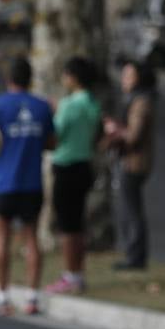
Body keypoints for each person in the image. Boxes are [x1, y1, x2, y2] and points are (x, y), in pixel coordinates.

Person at [0, 57, 56, 316]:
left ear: (9, 78)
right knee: (31, 238)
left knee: (2, 238)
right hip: (32, 184)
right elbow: (51, 142)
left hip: (4, 182)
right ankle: (32, 297)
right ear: (30, 78)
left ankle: (2, 296)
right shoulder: (42, 107)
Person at [45, 56, 102, 295]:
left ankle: (70, 275)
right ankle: (78, 273)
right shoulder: (92, 103)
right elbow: (98, 134)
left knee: (67, 224)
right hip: (85, 164)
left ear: (74, 77)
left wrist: (52, 112)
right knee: (78, 222)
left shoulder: (69, 105)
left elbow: (55, 135)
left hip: (66, 165)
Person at [103, 58, 156, 270]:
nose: (124, 80)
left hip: (134, 163)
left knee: (131, 210)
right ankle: (132, 253)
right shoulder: (134, 99)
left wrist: (114, 130)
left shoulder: (141, 101)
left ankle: (135, 257)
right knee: (127, 208)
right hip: (129, 161)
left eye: (128, 75)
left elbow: (133, 135)